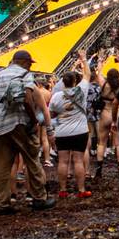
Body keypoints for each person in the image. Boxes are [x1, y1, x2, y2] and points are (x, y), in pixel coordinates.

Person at [0, 50, 54, 213]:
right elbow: (28, 97)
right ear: (22, 62)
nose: (30, 67)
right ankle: (39, 198)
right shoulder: (23, 75)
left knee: (2, 165)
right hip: (19, 122)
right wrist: (33, 120)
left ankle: (2, 203)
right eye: (29, 63)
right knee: (32, 159)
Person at [48, 52, 92, 198]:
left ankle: (62, 190)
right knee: (78, 160)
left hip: (62, 132)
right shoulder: (81, 91)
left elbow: (51, 115)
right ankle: (81, 190)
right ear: (74, 82)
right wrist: (84, 58)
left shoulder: (56, 96)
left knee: (63, 161)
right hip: (80, 131)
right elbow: (87, 75)